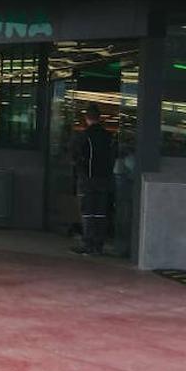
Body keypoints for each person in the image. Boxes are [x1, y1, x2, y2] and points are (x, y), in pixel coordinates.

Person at [71, 104, 116, 257]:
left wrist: (79, 170)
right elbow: (113, 157)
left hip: (88, 178)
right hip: (104, 179)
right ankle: (99, 244)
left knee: (88, 212)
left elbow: (76, 156)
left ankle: (88, 243)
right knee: (101, 212)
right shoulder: (108, 137)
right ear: (99, 118)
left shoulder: (85, 136)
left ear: (87, 118)